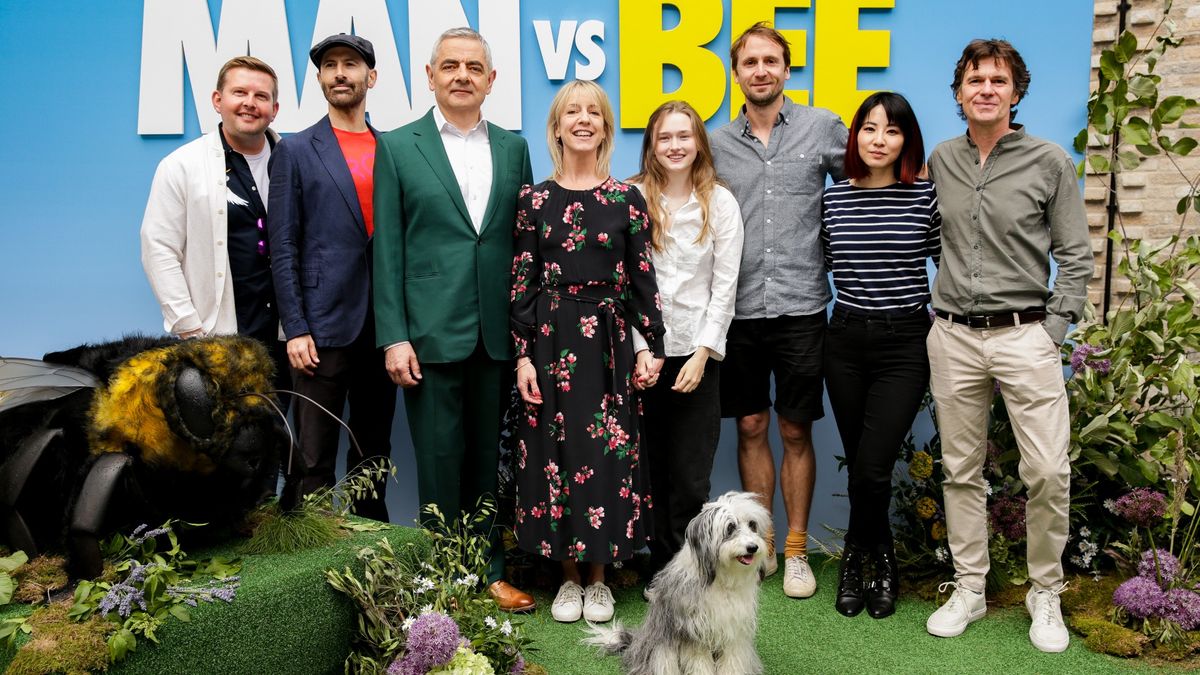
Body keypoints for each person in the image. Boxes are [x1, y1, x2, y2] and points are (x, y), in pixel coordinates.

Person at [923, 39, 1092, 653]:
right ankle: (970, 585)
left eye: (997, 80)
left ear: (1015, 92)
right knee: (961, 468)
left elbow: (1075, 255)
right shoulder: (941, 159)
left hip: (1026, 335)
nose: (985, 89)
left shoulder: (1049, 162)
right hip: (953, 337)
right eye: (974, 80)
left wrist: (1053, 331)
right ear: (960, 92)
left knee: (1047, 469)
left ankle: (1044, 590)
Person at [372, 27, 535, 612]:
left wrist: (524, 338)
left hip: (495, 335)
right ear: (431, 75)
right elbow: (386, 249)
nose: (462, 75)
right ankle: (444, 579)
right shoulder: (396, 145)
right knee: (439, 465)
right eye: (450, 66)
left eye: (473, 67)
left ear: (491, 80)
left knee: (488, 463)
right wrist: (394, 336)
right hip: (429, 336)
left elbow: (523, 247)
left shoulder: (514, 148)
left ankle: (489, 571)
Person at [511, 80, 665, 624]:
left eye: (593, 112)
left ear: (604, 126)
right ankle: (567, 578)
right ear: (556, 127)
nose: (582, 119)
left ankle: (599, 578)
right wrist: (524, 356)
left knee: (605, 457)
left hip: (609, 346)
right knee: (556, 456)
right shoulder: (534, 200)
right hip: (551, 344)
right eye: (571, 111)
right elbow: (522, 283)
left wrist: (653, 347)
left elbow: (643, 280)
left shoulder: (628, 199)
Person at [709, 21, 847, 599]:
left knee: (794, 428)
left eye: (771, 61)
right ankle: (756, 550)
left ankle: (793, 552)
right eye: (750, 63)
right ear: (736, 74)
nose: (761, 70)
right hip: (736, 310)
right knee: (749, 425)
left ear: (787, 70)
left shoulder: (822, 127)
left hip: (801, 306)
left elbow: (869, 184)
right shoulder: (715, 142)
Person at [820, 92, 940, 620]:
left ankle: (865, 557)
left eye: (891, 131)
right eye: (869, 129)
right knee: (861, 465)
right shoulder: (833, 200)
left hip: (906, 342)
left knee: (872, 466)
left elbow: (951, 265)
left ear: (905, 141)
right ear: (855, 137)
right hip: (844, 339)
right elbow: (819, 263)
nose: (878, 140)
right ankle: (871, 557)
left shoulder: (925, 198)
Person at [268, 34, 396, 521]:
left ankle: (373, 552)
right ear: (320, 79)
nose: (340, 73)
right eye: (330, 66)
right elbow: (282, 247)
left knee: (374, 450)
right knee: (314, 456)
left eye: (351, 64)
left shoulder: (394, 150)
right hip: (320, 328)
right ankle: (310, 556)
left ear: (372, 78)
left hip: (382, 327)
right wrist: (295, 327)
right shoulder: (296, 150)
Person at [628, 100, 744, 577]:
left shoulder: (720, 201)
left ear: (698, 142)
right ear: (651, 146)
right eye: (664, 137)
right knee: (647, 468)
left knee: (690, 474)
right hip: (643, 356)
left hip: (698, 357)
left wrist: (701, 355)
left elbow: (725, 287)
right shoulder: (632, 198)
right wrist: (641, 351)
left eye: (683, 136)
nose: (675, 146)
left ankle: (686, 571)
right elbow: (627, 283)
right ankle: (657, 568)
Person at [141, 56, 290, 400]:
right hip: (217, 340)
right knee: (223, 445)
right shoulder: (181, 166)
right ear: (217, 100)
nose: (250, 103)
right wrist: (191, 328)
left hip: (285, 338)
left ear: (275, 108)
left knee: (277, 438)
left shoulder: (294, 162)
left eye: (261, 96)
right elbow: (158, 248)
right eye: (239, 92)